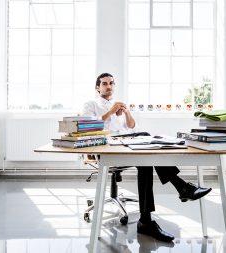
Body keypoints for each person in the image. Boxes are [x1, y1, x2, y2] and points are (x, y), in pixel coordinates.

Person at [83, 73, 212, 242]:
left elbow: (131, 126)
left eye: (112, 83)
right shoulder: (91, 104)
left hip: (126, 145)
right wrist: (110, 112)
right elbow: (87, 128)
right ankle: (182, 188)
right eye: (105, 84)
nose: (109, 86)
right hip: (107, 149)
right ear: (97, 87)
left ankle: (146, 221)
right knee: (146, 144)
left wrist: (126, 112)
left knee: (146, 158)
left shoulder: (118, 104)